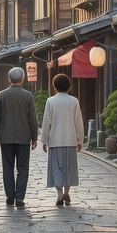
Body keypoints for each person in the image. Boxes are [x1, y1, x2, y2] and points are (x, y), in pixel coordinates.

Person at [0, 66, 38, 207]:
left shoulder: (1, 95)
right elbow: (33, 119)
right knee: (23, 168)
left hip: (5, 138)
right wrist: (34, 137)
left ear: (9, 79)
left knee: (8, 168)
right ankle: (20, 197)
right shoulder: (28, 96)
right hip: (23, 138)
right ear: (22, 79)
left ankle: (10, 197)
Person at [40, 73, 84, 207]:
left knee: (56, 168)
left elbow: (46, 122)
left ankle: (59, 193)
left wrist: (44, 140)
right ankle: (67, 192)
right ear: (69, 87)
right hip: (70, 140)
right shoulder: (74, 101)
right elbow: (78, 122)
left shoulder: (50, 101)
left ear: (54, 87)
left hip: (55, 140)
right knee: (69, 168)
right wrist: (80, 140)